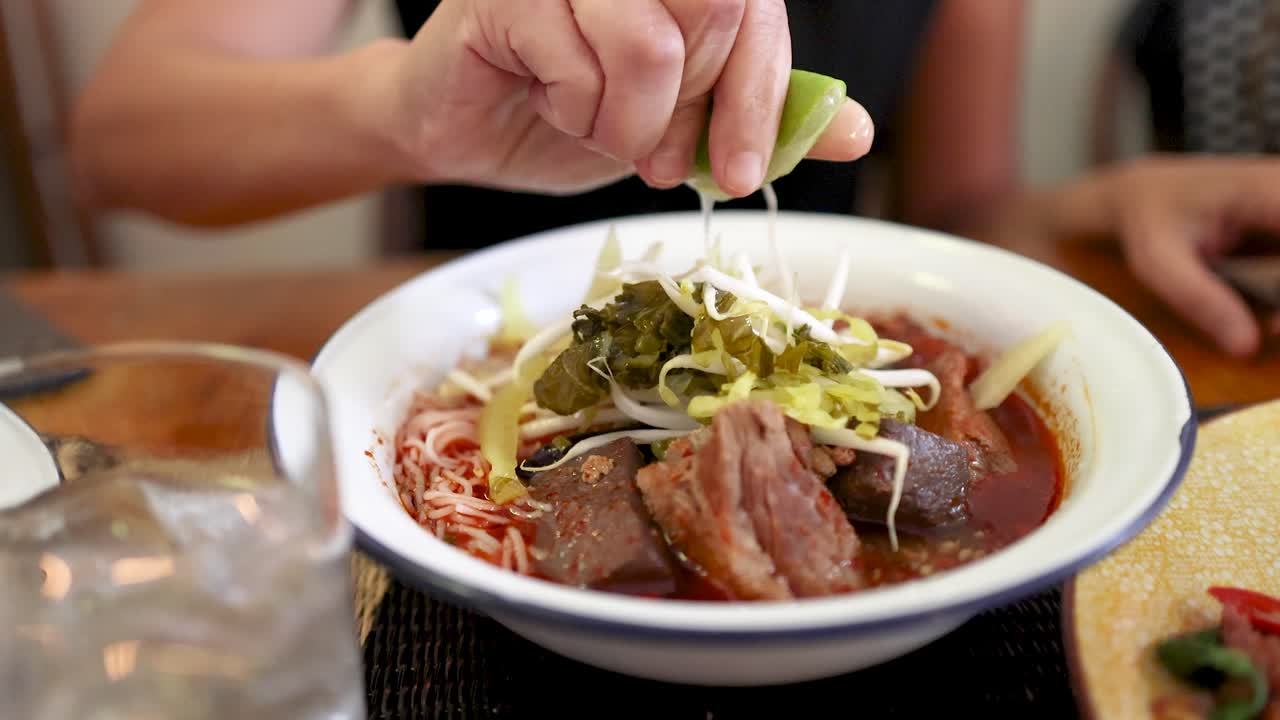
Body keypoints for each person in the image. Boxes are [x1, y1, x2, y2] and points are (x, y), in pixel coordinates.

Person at [70, 0, 1280, 357]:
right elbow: (121, 139)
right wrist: (403, 111)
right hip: (470, 353)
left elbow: (964, 207)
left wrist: (1094, 207)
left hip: (823, 341)